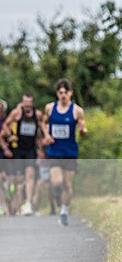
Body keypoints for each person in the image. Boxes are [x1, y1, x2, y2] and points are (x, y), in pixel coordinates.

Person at [43, 78, 86, 226]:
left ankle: (64, 210)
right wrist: (47, 135)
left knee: (67, 185)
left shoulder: (77, 110)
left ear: (71, 93)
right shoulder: (49, 108)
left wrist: (83, 131)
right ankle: (56, 194)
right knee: (57, 182)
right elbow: (43, 122)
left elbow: (82, 125)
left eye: (66, 92)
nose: (63, 95)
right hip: (54, 151)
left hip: (69, 153)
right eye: (60, 92)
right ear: (57, 93)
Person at [2, 94, 46, 216]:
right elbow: (5, 125)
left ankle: (28, 204)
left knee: (30, 175)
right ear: (22, 103)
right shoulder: (17, 113)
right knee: (18, 180)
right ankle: (16, 204)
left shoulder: (37, 115)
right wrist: (10, 135)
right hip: (18, 149)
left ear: (32, 103)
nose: (27, 105)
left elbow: (42, 130)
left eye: (29, 103)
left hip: (30, 149)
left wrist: (41, 147)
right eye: (25, 103)